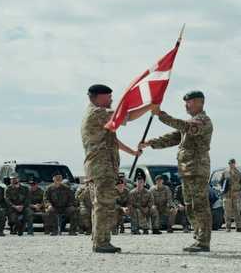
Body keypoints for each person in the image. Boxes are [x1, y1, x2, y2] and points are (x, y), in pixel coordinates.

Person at [139, 90, 215, 253]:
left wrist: (161, 115)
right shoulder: (189, 123)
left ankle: (204, 241)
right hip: (186, 170)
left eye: (190, 102)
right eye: (186, 102)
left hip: (197, 169)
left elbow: (187, 127)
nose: (186, 105)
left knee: (199, 205)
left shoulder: (203, 121)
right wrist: (151, 143)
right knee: (189, 206)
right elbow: (174, 137)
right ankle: (198, 236)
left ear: (200, 102)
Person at [82, 84, 148, 254]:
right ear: (97, 97)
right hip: (101, 167)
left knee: (100, 204)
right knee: (104, 204)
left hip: (99, 167)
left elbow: (113, 141)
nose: (112, 100)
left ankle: (99, 239)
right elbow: (127, 116)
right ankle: (102, 242)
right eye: (108, 97)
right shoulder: (97, 113)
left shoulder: (99, 116)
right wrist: (151, 105)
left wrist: (132, 152)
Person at [221, 158, 241, 232]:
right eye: (229, 163)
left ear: (235, 163)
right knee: (227, 212)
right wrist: (221, 190)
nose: (230, 164)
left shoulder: (239, 173)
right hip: (227, 194)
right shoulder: (225, 172)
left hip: (236, 194)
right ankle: (228, 227)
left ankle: (238, 227)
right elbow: (220, 182)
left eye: (232, 163)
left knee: (237, 211)